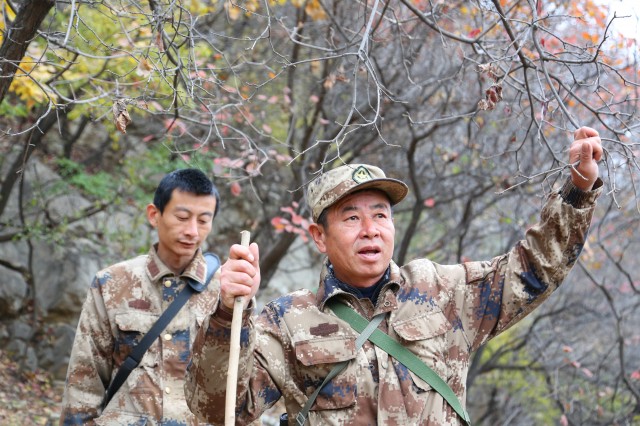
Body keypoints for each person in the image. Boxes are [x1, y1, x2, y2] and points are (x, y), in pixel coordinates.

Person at [184, 127, 603, 425]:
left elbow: (532, 271)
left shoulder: (444, 291)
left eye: (380, 215)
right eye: (351, 217)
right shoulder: (287, 321)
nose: (371, 229)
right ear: (318, 236)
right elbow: (218, 410)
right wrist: (224, 317)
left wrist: (577, 190)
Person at [60, 168, 221, 425]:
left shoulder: (228, 292)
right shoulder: (113, 283)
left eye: (203, 221)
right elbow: (84, 381)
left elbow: (242, 390)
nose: (192, 231)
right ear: (154, 215)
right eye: (182, 217)